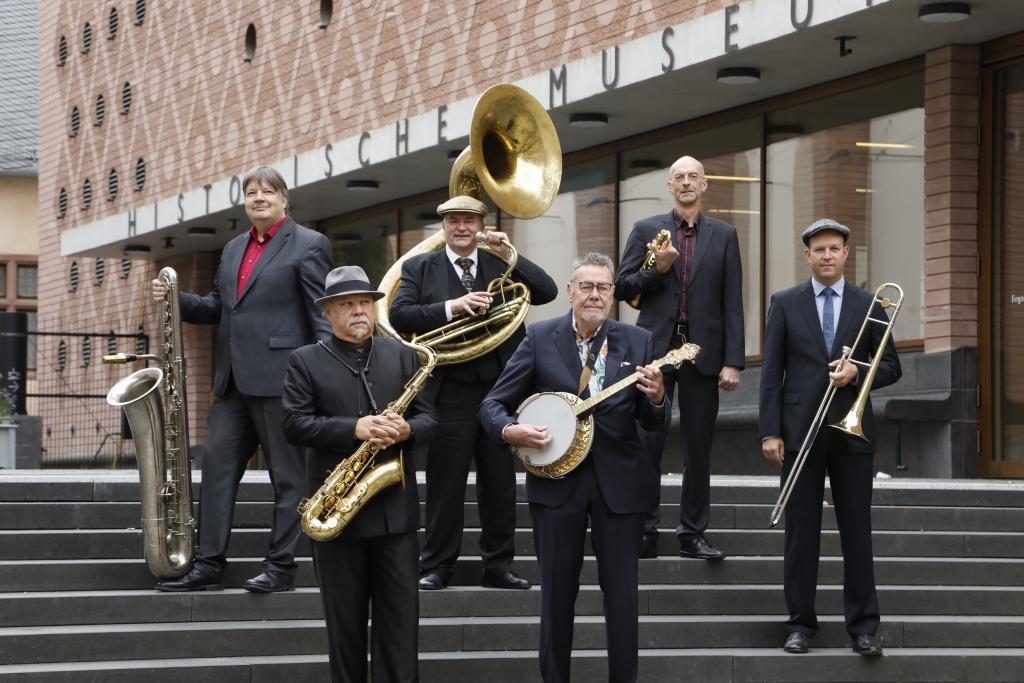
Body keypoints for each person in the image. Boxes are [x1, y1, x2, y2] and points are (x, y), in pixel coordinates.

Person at [480, 252, 668, 683]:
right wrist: (510, 430)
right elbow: (492, 404)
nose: (595, 295)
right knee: (556, 599)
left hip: (619, 490)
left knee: (622, 600)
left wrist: (657, 397)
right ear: (570, 292)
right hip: (556, 486)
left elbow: (653, 421)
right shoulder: (540, 337)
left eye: (603, 287)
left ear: (613, 295)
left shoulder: (638, 342)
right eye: (586, 286)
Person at [153, 165, 331, 592]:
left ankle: (281, 566)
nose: (259, 198)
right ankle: (208, 563)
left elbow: (321, 314)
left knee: (288, 480)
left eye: (268, 191)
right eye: (251, 192)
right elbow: (220, 306)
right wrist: (178, 300)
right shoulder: (232, 248)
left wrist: (325, 375)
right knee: (216, 474)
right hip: (232, 384)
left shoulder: (310, 244)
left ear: (284, 199)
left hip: (284, 382)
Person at [390, 195, 558, 591]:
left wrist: (511, 252)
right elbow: (400, 314)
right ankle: (437, 566)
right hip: (449, 390)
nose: (462, 227)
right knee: (446, 482)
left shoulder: (502, 263)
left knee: (499, 483)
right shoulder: (419, 267)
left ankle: (498, 566)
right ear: (444, 228)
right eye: (454, 221)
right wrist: (453, 306)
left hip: (499, 390)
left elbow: (548, 291)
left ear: (481, 225)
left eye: (469, 220)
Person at [282, 266, 435, 682]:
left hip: (395, 514)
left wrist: (407, 429)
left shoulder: (402, 355)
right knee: (345, 629)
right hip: (338, 516)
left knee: (402, 627)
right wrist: (355, 427)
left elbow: (429, 420)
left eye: (365, 303)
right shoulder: (305, 360)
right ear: (328, 312)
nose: (358, 311)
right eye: (346, 304)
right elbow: (294, 425)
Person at [759, 219, 901, 656]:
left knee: (857, 532)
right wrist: (770, 432)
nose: (826, 255)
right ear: (807, 256)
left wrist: (858, 372)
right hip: (799, 432)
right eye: (818, 249)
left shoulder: (871, 303)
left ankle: (863, 628)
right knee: (801, 534)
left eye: (834, 248)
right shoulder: (784, 302)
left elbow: (892, 366)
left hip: (852, 433)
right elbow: (771, 374)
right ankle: (800, 625)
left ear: (845, 254)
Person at [614, 155, 744, 561]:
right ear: (669, 187)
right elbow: (621, 287)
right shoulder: (646, 229)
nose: (686, 183)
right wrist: (658, 270)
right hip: (655, 349)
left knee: (698, 446)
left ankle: (692, 534)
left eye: (693, 177)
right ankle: (645, 530)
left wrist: (733, 361)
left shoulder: (725, 235)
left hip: (704, 354)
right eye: (679, 178)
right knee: (647, 442)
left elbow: (732, 302)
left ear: (705, 185)